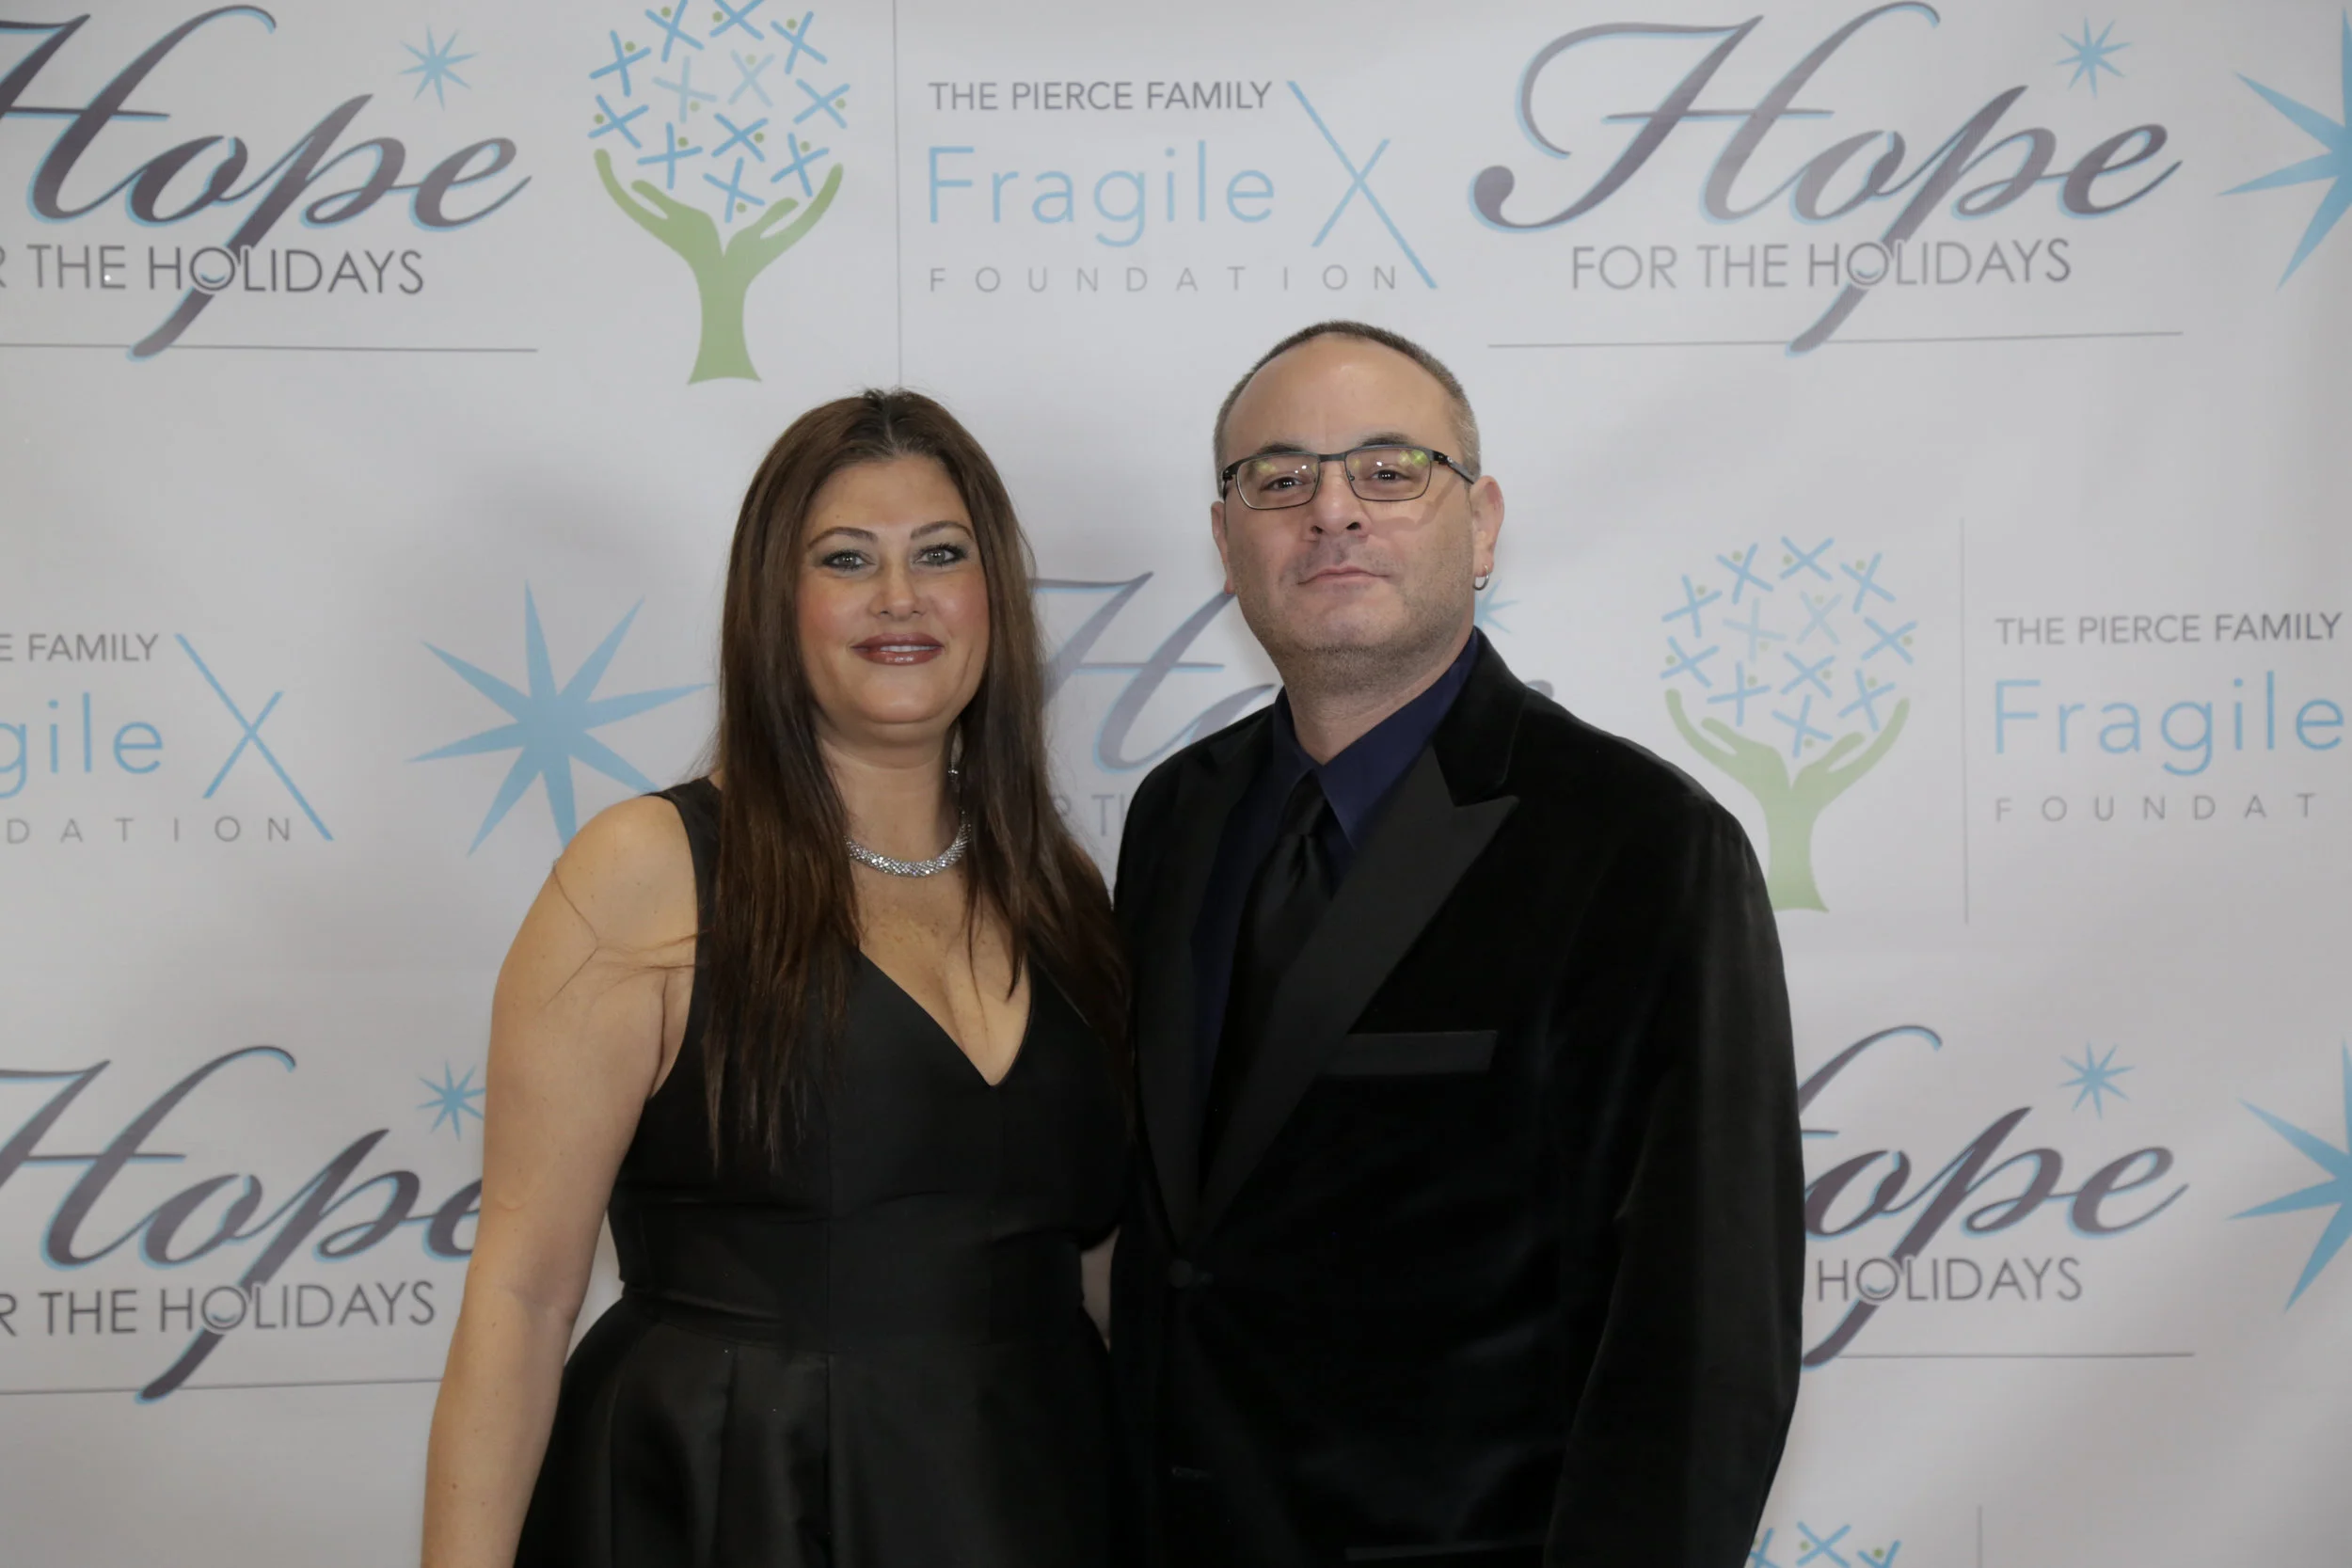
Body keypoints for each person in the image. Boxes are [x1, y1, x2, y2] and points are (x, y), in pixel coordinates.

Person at [1108, 322, 1804, 1568]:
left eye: (1389, 470)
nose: (1331, 510)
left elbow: (1702, 1341)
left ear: (1480, 525)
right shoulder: (1176, 817)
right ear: (1226, 539)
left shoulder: (1637, 844)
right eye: (1279, 477)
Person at [421, 390, 1130, 1568]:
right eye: (846, 558)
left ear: (993, 596)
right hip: (736, 1497)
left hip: (1037, 1486)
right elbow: (523, 1294)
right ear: (773, 604)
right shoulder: (648, 872)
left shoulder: (1063, 890)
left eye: (940, 554)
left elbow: (1098, 1259)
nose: (899, 596)